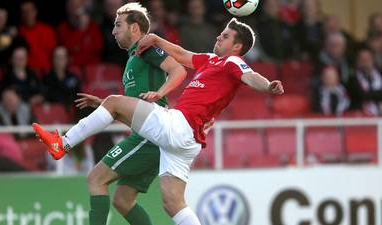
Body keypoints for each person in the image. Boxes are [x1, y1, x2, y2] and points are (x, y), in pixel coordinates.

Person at [33, 18, 284, 225]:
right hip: (187, 140)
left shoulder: (233, 62)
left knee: (113, 102)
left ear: (237, 47)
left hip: (179, 126)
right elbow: (182, 54)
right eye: (221, 33)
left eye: (226, 36)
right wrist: (155, 39)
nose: (219, 37)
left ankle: (63, 144)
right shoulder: (211, 60)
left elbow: (250, 76)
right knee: (173, 204)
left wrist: (268, 86)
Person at [39, 3, 187, 225]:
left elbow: (179, 70)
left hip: (150, 137)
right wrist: (105, 106)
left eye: (118, 25)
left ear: (135, 28)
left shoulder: (146, 48)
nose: (113, 31)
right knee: (122, 200)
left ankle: (64, 143)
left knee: (95, 179)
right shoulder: (132, 59)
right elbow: (134, 109)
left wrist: (159, 93)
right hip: (148, 134)